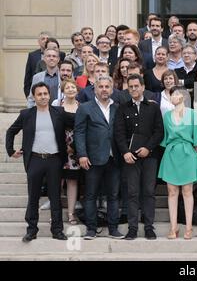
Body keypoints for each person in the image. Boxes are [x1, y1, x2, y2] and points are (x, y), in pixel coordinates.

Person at [5, 82, 68, 242]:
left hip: (54, 160)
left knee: (55, 197)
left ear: (49, 94)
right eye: (39, 94)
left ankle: (57, 230)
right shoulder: (26, 114)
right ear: (34, 97)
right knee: (33, 197)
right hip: (35, 160)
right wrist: (11, 151)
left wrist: (73, 149)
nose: (43, 97)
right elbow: (11, 131)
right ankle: (31, 230)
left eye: (45, 93)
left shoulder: (59, 112)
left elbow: (76, 125)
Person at [114, 74, 164, 240]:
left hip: (149, 156)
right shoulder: (123, 108)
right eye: (131, 87)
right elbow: (119, 133)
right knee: (132, 192)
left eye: (137, 86)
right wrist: (125, 152)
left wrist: (148, 148)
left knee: (149, 191)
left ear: (143, 87)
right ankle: (132, 228)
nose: (134, 89)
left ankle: (149, 227)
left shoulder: (153, 107)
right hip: (130, 157)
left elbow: (159, 132)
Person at [74, 76, 124, 240]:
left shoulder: (118, 108)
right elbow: (79, 132)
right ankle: (91, 229)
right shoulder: (85, 108)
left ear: (112, 89)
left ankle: (113, 229)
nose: (104, 89)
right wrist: (82, 154)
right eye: (100, 86)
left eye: (107, 87)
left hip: (114, 158)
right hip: (92, 159)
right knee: (90, 195)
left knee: (113, 195)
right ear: (95, 89)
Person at [158, 86, 197, 240]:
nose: (173, 96)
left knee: (187, 191)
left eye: (176, 94)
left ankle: (189, 228)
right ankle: (173, 227)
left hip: (188, 153)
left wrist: (191, 153)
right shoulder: (166, 116)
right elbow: (164, 138)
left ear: (184, 96)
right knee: (171, 191)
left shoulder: (193, 114)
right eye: (171, 94)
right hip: (171, 153)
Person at [51, 79, 82, 226]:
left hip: (75, 150)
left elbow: (84, 129)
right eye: (67, 87)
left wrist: (74, 147)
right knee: (57, 181)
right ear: (63, 91)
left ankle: (71, 214)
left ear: (77, 90)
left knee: (72, 181)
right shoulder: (57, 107)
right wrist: (63, 146)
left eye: (73, 87)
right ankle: (55, 214)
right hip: (58, 148)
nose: (70, 89)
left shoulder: (82, 107)